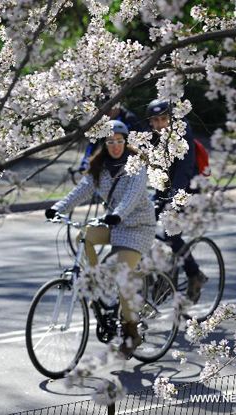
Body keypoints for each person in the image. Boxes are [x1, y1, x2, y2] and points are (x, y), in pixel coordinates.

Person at [45, 120, 155, 358]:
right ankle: (97, 284)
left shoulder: (137, 164)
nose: (115, 146)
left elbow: (133, 196)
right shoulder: (100, 167)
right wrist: (57, 208)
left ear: (126, 142)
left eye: (119, 141)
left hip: (138, 227)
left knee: (122, 273)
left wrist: (117, 215)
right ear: (104, 144)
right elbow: (81, 190)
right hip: (114, 225)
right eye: (110, 142)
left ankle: (131, 330)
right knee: (83, 235)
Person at [146, 99, 207, 302]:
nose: (160, 124)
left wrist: (175, 198)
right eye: (155, 120)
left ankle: (194, 273)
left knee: (170, 231)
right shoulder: (151, 136)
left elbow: (184, 167)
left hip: (186, 188)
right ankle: (161, 273)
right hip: (162, 186)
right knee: (145, 225)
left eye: (164, 119)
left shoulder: (182, 131)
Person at [77, 105, 143, 172]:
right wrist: (85, 162)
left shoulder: (129, 118)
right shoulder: (101, 120)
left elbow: (140, 140)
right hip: (107, 157)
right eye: (104, 109)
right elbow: (92, 144)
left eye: (110, 108)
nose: (107, 111)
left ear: (118, 106)